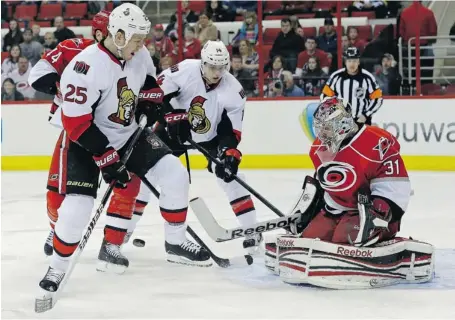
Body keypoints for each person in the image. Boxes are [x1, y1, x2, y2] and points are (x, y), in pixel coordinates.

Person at [36, 4, 210, 297]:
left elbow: (149, 82)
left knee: (174, 175)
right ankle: (57, 266)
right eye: (137, 39)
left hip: (129, 134)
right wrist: (106, 157)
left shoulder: (138, 54)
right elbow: (76, 123)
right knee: (76, 210)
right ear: (117, 36)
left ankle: (175, 242)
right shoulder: (84, 66)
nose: (142, 46)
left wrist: (151, 102)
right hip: (85, 141)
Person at [264, 97, 433, 288]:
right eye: (320, 128)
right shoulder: (318, 149)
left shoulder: (376, 141)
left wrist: (379, 214)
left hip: (370, 211)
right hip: (336, 210)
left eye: (326, 128)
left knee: (344, 240)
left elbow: (396, 187)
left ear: (342, 123)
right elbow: (326, 183)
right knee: (310, 238)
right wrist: (309, 209)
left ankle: (389, 248)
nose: (322, 134)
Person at [118, 40, 263, 254]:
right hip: (171, 132)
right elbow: (155, 95)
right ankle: (125, 230)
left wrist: (229, 154)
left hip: (210, 136)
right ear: (203, 63)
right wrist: (171, 118)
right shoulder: (184, 70)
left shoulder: (234, 90)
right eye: (212, 67)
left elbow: (231, 131)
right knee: (146, 177)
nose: (217, 72)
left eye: (221, 67)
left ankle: (251, 229)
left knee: (232, 176)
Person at [29, 10, 111, 257]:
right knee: (57, 193)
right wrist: (58, 84)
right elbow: (38, 74)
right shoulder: (74, 48)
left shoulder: (130, 56)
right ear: (98, 34)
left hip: (115, 132)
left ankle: (118, 237)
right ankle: (57, 229)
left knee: (132, 185)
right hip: (76, 129)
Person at [320, 47, 383, 125]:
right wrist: (334, 113)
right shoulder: (336, 76)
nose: (352, 64)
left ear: (358, 62)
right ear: (345, 62)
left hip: (362, 121)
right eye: (349, 61)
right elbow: (325, 96)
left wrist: (365, 115)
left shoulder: (368, 78)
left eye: (354, 61)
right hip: (340, 122)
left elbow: (377, 99)